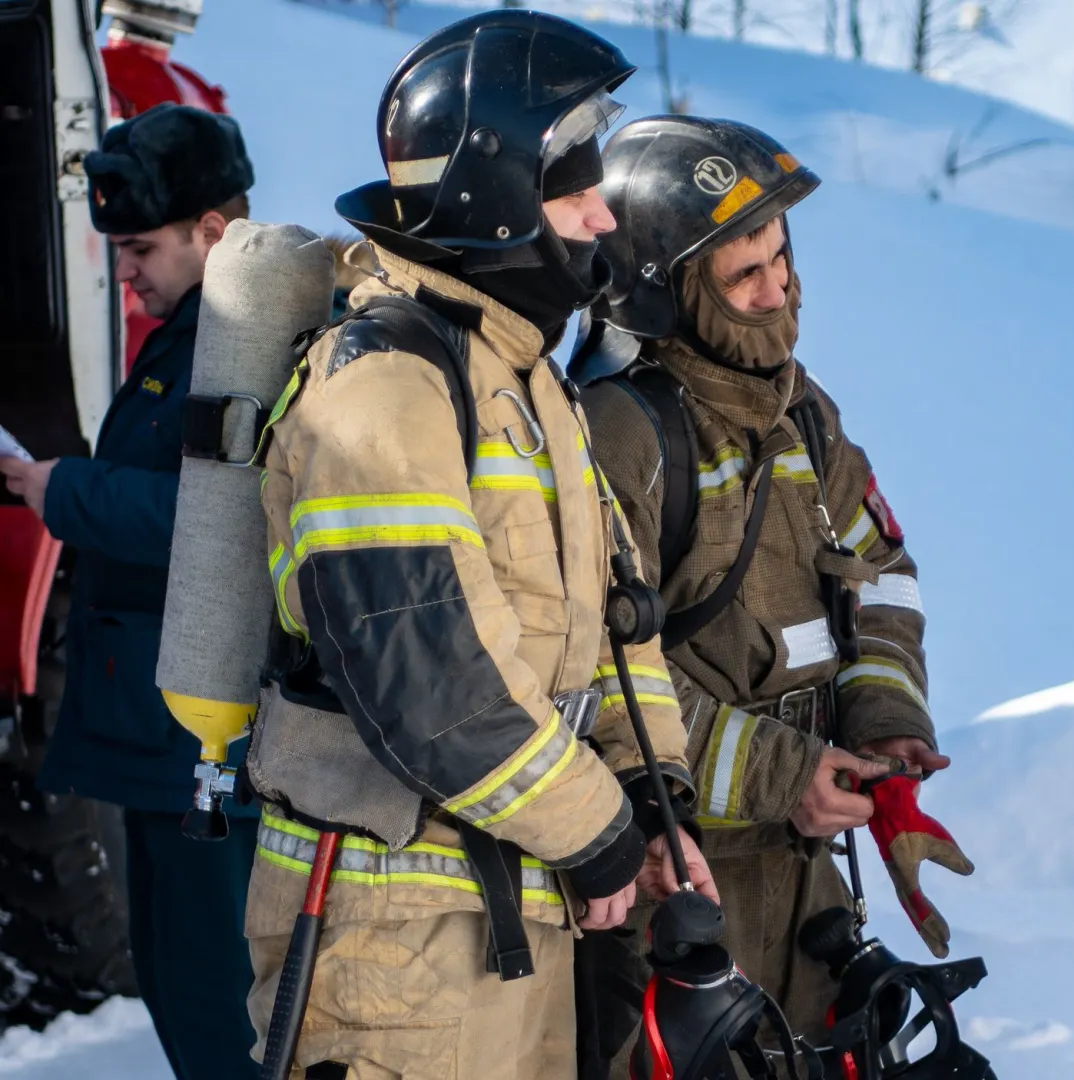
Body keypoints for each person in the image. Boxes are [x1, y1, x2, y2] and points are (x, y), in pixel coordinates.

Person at [239, 13, 712, 1078]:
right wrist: (598, 832)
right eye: (573, 188)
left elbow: (617, 620)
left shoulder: (527, 378)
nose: (603, 214)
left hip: (511, 918)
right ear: (493, 196)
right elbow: (430, 676)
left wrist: (653, 800)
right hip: (388, 948)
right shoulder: (385, 380)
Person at [570, 116, 970, 1075]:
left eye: (781, 258)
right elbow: (588, 668)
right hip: (677, 882)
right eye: (742, 274)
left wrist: (882, 718)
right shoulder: (617, 432)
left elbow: (884, 572)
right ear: (665, 291)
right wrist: (779, 774)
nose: (777, 289)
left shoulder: (802, 413)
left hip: (807, 876)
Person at [0, 101, 259, 1080]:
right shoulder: (193, 334)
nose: (125, 271)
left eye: (142, 247)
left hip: (207, 732)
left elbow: (220, 518)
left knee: (215, 994)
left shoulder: (242, 345)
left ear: (215, 231)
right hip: (166, 728)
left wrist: (61, 490)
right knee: (178, 981)